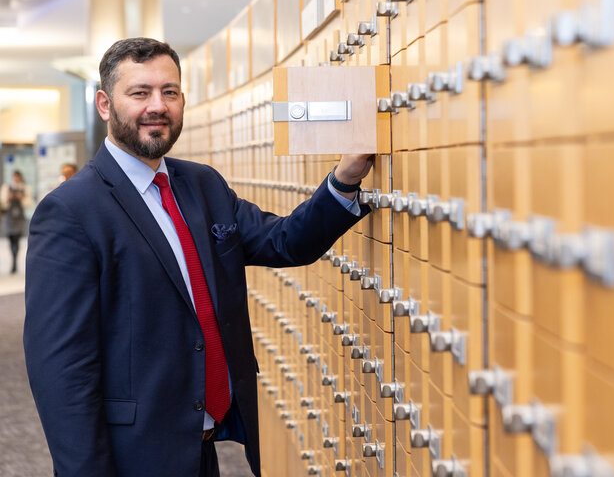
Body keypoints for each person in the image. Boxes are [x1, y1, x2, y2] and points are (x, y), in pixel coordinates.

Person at [23, 37, 373, 477]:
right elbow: (62, 371)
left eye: (169, 92)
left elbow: (284, 241)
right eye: (140, 93)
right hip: (131, 455)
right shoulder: (71, 211)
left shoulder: (201, 186)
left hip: (198, 448)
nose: (158, 105)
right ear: (105, 105)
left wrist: (345, 177)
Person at [1, 170, 30, 273]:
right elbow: (3, 202)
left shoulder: (25, 188)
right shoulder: (6, 187)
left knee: (16, 240)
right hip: (9, 218)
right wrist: (8, 198)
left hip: (19, 218)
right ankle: (13, 259)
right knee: (10, 240)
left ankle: (14, 262)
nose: (16, 179)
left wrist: (21, 198)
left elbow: (29, 202)